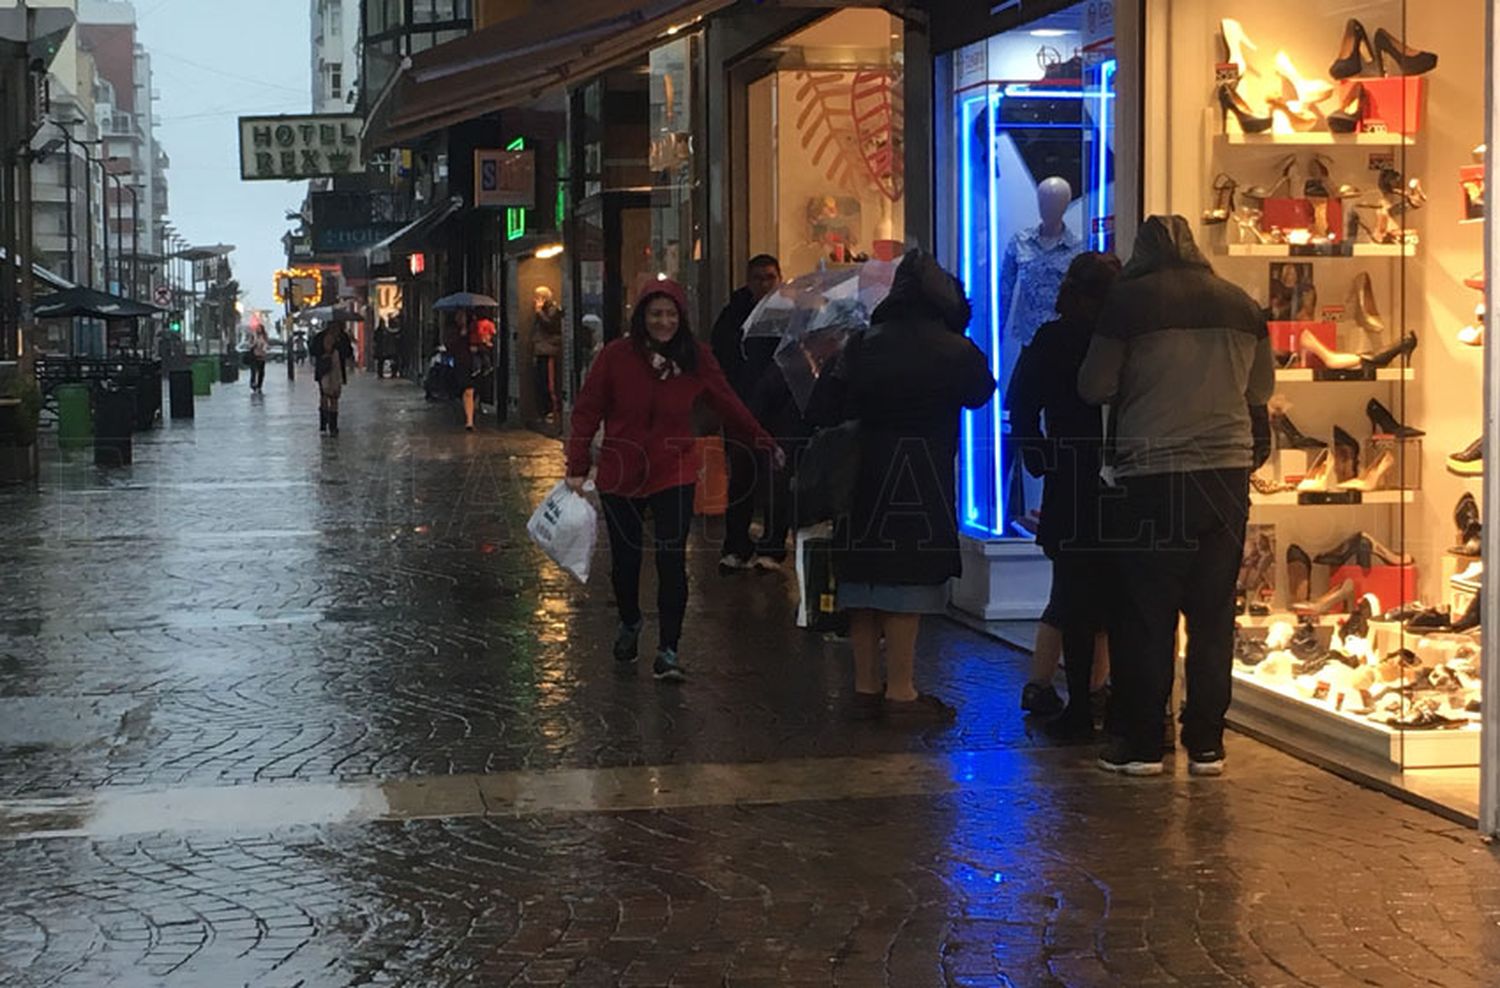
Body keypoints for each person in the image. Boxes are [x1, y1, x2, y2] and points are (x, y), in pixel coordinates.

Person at [1078, 215, 1274, 777]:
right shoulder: (1240, 303)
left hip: (1153, 473)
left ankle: (1142, 744)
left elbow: (1094, 384)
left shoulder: (1127, 303)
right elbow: (1260, 389)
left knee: (1146, 613)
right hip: (1227, 475)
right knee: (1213, 615)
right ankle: (1208, 744)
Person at [565, 278, 780, 683]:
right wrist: (577, 463)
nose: (663, 321)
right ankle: (630, 621)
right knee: (627, 564)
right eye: (655, 314)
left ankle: (669, 649)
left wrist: (763, 441)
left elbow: (728, 402)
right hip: (621, 472)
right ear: (641, 317)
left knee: (671, 560)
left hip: (673, 470)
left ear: (681, 318)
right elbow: (588, 409)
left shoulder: (696, 358)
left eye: (670, 314)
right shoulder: (615, 356)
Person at [829, 250, 996, 724]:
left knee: (862, 574)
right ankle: (901, 691)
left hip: (862, 469)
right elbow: (980, 393)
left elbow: (828, 402)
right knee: (907, 576)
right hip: (921, 470)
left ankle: (865, 686)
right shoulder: (953, 349)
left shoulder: (861, 343)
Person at [1006, 252, 1121, 740]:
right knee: (1113, 594)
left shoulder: (1051, 339)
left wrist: (1041, 456)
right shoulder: (1122, 341)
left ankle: (1069, 694)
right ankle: (1100, 691)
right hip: (1117, 477)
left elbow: (1021, 403)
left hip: (1069, 476)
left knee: (1070, 592)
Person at [709, 254, 783, 572]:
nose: (764, 284)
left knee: (776, 480)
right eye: (758, 278)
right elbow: (721, 355)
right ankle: (737, 544)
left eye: (770, 277)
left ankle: (773, 545)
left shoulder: (788, 313)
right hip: (741, 408)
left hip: (779, 410)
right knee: (741, 478)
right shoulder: (734, 315)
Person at [312, 321, 355, 437]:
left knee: (334, 397)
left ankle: (332, 425)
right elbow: (313, 351)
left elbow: (348, 352)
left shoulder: (342, 337)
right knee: (325, 396)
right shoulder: (320, 336)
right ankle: (325, 422)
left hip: (336, 370)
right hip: (324, 370)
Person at [532, 286, 564, 421]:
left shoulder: (553, 310)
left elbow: (550, 325)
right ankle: (544, 410)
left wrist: (539, 312)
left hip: (548, 350)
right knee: (541, 381)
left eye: (537, 297)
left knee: (549, 381)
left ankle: (552, 409)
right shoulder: (542, 311)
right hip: (541, 349)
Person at [448, 311, 481, 431]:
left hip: (473, 364)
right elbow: (450, 346)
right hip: (461, 364)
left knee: (471, 391)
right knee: (467, 390)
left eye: (463, 316)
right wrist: (460, 335)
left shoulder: (473, 329)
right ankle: (469, 419)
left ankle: (470, 418)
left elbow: (479, 343)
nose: (461, 319)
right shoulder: (454, 331)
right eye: (459, 316)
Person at [246, 324, 269, 393]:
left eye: (260, 328)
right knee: (253, 371)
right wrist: (254, 344)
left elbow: (266, 344)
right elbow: (249, 345)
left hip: (262, 356)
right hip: (254, 356)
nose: (258, 330)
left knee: (261, 372)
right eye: (257, 328)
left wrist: (264, 347)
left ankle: (259, 385)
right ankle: (253, 384)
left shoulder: (264, 336)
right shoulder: (253, 336)